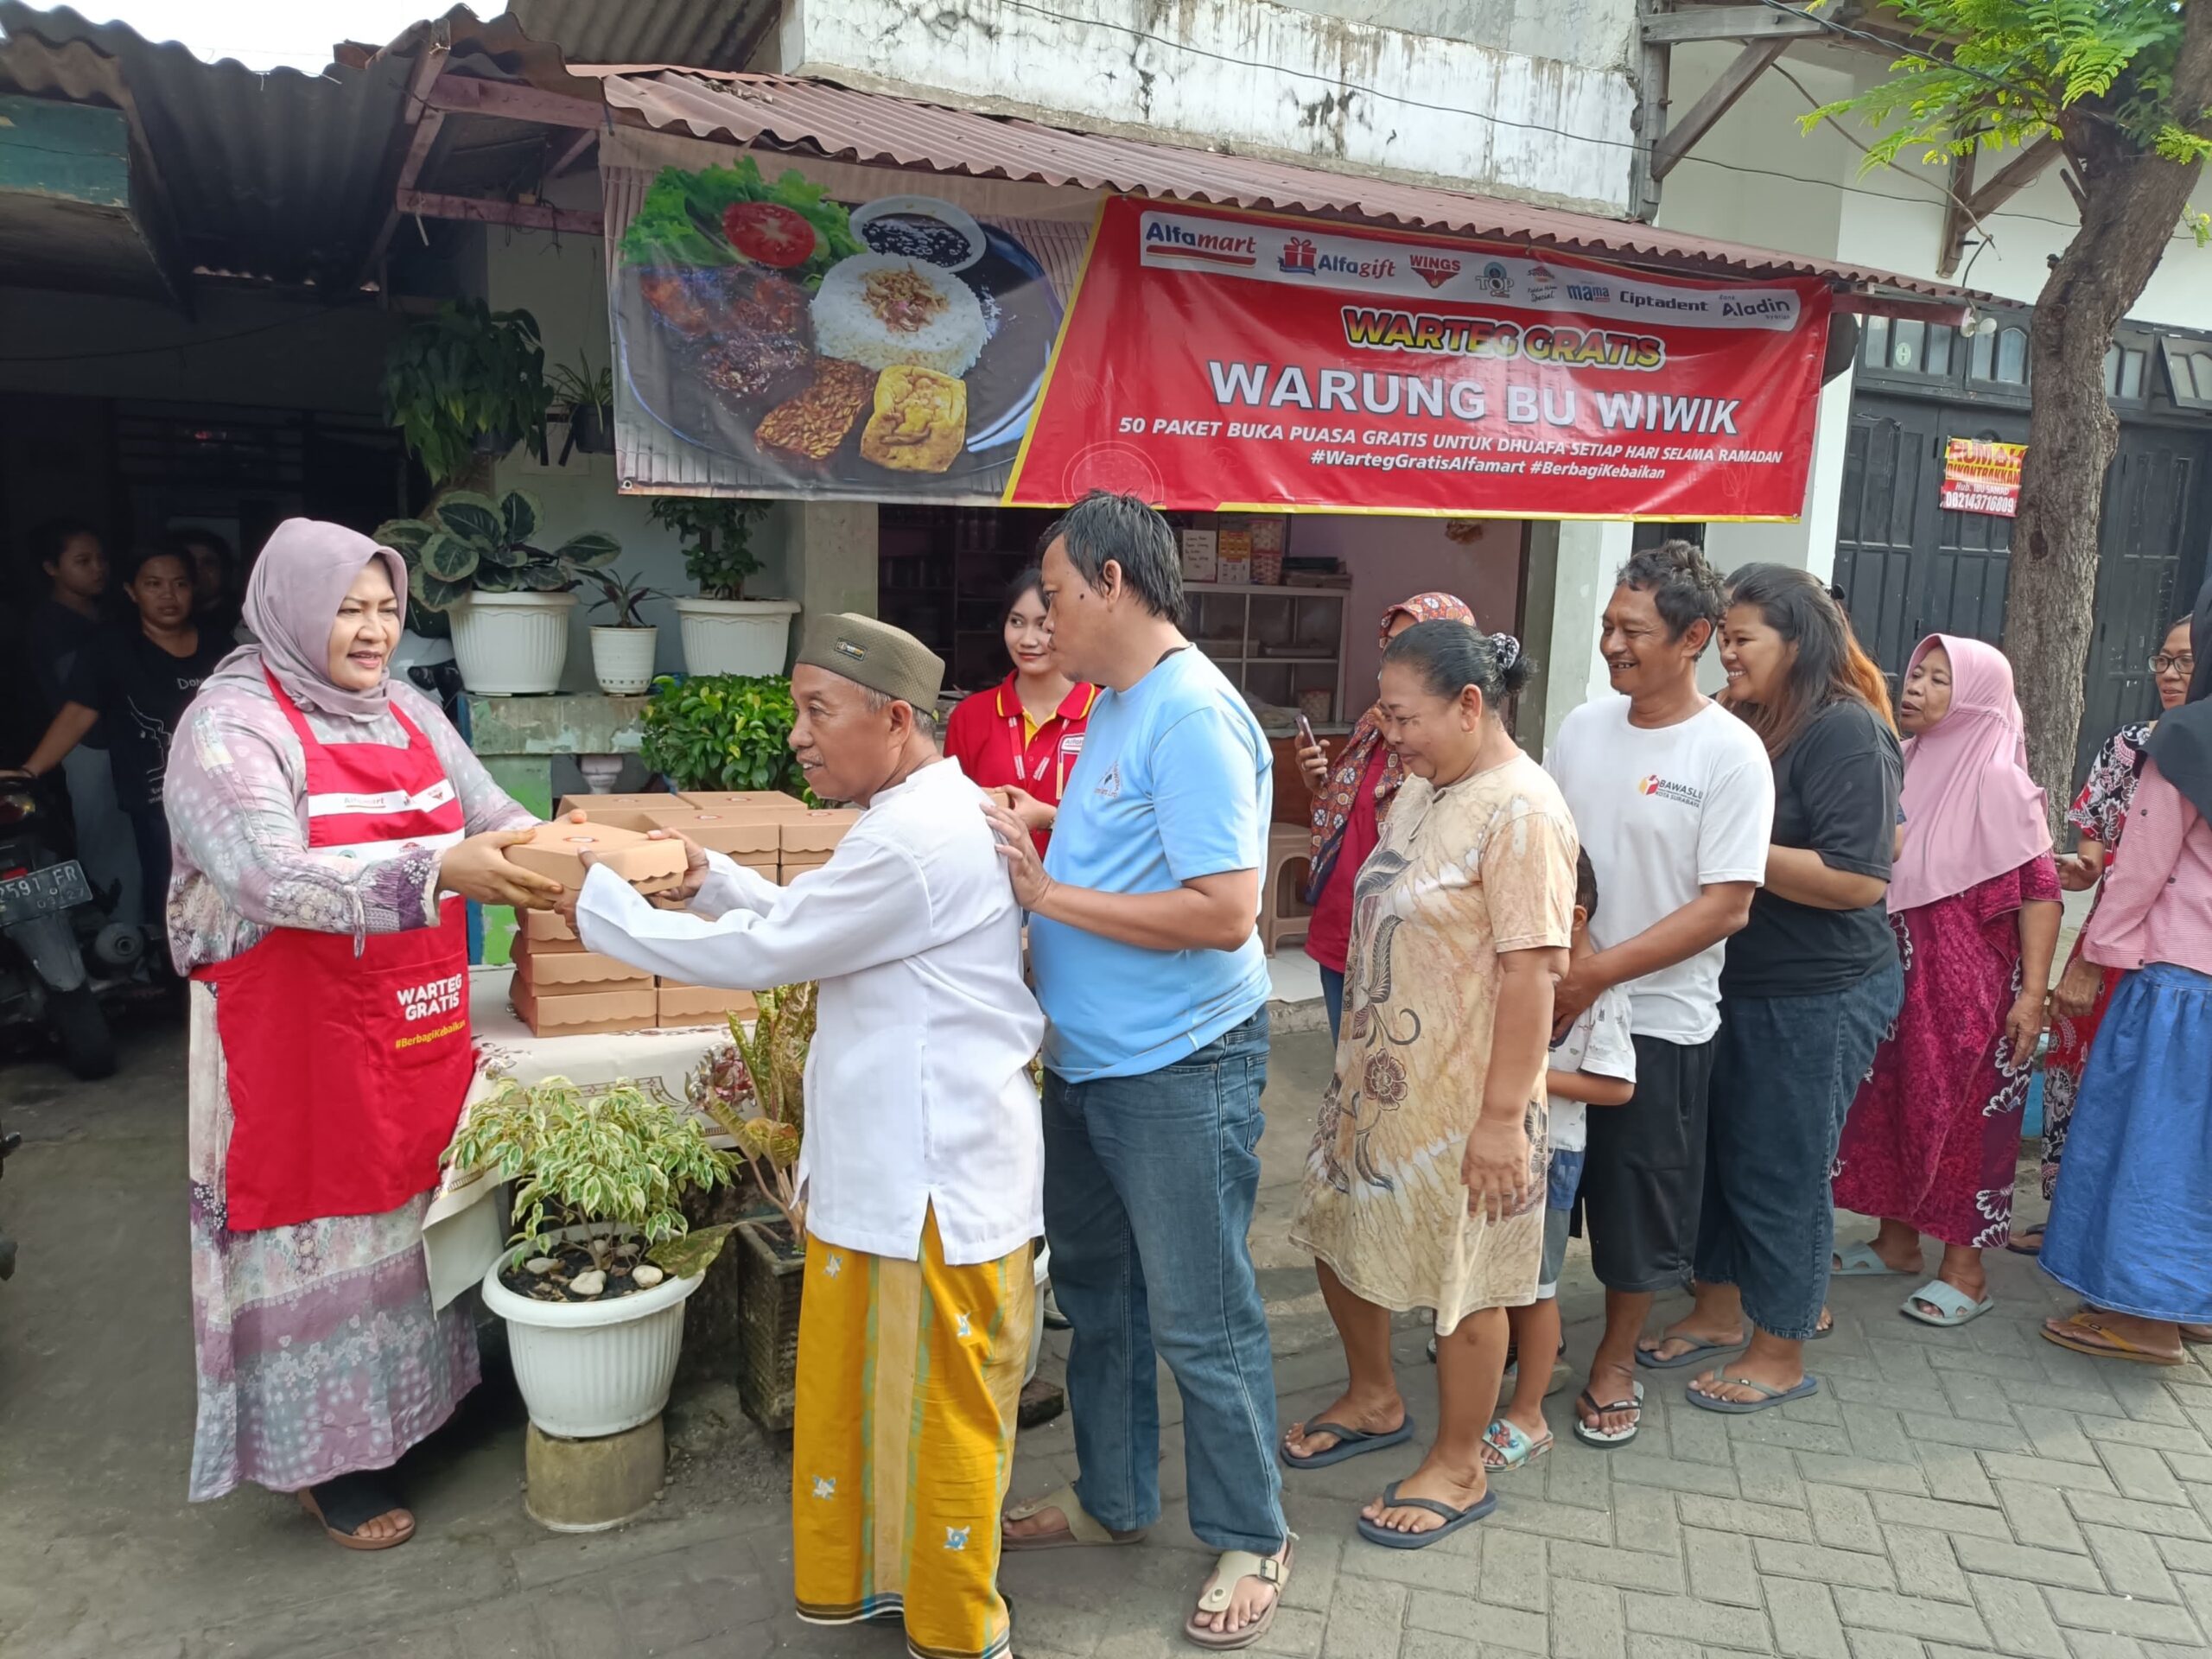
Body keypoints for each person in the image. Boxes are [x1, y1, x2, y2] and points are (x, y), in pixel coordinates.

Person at [565, 613, 1043, 1659]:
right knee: (881, 1403)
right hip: (901, 1174)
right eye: (797, 709)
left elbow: (776, 950)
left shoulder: (916, 835)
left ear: (896, 718)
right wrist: (711, 876)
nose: (796, 736)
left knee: (940, 1414)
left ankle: (962, 1632)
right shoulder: (918, 815)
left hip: (932, 1180)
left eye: (817, 711)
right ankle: (899, 1593)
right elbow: (823, 921)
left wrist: (596, 905)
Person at [163, 518, 563, 1545]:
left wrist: (582, 851)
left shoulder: (408, 712)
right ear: (292, 609)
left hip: (405, 1014)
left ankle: (424, 1407)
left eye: (386, 608)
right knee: (320, 1227)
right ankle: (329, 1461)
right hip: (289, 1034)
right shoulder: (229, 726)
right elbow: (262, 873)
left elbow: (493, 817)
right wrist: (437, 870)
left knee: (415, 1210)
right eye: (348, 609)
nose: (374, 630)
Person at [985, 492, 1290, 1652]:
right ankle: (1114, 1499)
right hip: (1093, 1065)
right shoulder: (1118, 703)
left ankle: (1252, 1532)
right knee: (1101, 1302)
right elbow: (1139, 839)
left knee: (1201, 1316)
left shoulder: (1193, 714)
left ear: (1112, 584)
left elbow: (1223, 911)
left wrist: (1048, 895)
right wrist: (1047, 817)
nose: (1045, 616)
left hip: (1180, 1067)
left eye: (1058, 595)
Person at [1281, 625, 1571, 1548]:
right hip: (1380, 1084)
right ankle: (1374, 1396)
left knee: (1468, 1276)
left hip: (1468, 1101)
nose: (1390, 736)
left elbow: (1534, 972)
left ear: (1470, 705)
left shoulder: (1521, 811)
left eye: (1404, 719)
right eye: (1384, 717)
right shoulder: (1418, 788)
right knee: (1337, 1231)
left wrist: (1501, 1120)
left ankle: (1458, 1461)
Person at [1638, 565, 1904, 1409]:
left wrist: (1732, 845)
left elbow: (1858, 879)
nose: (1727, 653)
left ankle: (1781, 1345)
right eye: (1722, 638)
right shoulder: (1743, 718)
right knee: (1718, 1154)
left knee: (1781, 1166)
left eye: (1742, 639)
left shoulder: (1844, 731)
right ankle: (1718, 1309)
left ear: (1797, 640)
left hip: (1820, 990)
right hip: (1734, 979)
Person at [1541, 541, 1774, 1449]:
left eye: (1632, 630)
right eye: (1608, 625)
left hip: (1660, 1021)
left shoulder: (1730, 754)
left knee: (1636, 1208)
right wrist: (1559, 970)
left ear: (1694, 638)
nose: (1611, 644)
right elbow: (1550, 855)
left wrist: (1598, 973)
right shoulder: (1581, 728)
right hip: (1558, 1004)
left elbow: (1727, 906)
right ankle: (1533, 1336)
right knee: (1537, 1186)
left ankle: (1614, 1359)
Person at [1831, 635, 2060, 1325]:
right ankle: (1896, 1243)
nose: (1916, 687)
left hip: (1976, 997)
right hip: (1899, 976)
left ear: (1978, 700)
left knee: (1968, 1123)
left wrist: (2031, 997)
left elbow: (2040, 892)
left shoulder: (2000, 780)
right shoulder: (1902, 760)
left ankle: (1966, 1271)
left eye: (1939, 680)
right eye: (1917, 673)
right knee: (1893, 1103)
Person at [2038, 579, 2212, 1364]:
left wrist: (2090, 957)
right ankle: (2192, 1303)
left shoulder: (2186, 737)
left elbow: (2142, 864)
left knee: (2152, 1147)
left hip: (2178, 979)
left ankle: (2145, 1320)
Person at [2019, 613, 2198, 1241]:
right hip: (2111, 926)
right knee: (2076, 1063)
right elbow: (2095, 843)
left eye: (2186, 660)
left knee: (2149, 1085)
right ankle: (2068, 1215)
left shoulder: (2192, 747)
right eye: (2163, 660)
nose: (2170, 674)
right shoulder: (2130, 745)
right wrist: (2083, 866)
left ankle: (2121, 1228)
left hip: (2169, 943)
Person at [1474, 850, 1635, 1470]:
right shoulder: (1516, 977)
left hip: (1550, 1157)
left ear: (1573, 916)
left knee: (1536, 1289)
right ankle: (1509, 1374)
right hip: (1499, 1149)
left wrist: (1526, 1075)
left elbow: (1617, 1087)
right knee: (1498, 1277)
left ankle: (1529, 1414)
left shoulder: (1601, 995)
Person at [9, 543, 234, 931]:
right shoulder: (112, 648)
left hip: (223, 795)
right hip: (156, 800)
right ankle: (172, 962)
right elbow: (79, 712)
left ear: (193, 588)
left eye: (180, 583)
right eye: (153, 584)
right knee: (172, 894)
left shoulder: (222, 647)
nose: (168, 595)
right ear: (131, 591)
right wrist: (29, 772)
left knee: (228, 890)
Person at [1295, 592, 1477, 1042]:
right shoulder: (1371, 726)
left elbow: (1436, 829)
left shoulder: (1455, 750)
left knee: (1392, 1058)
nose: (1396, 658)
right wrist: (1316, 782)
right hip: (1342, 921)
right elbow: (1352, 810)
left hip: (1397, 938)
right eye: (1392, 646)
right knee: (1346, 1064)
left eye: (1413, 645)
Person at [21, 518, 143, 925]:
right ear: (51, 568)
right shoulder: (52, 624)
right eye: (83, 561)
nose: (98, 568)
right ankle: (116, 936)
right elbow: (81, 699)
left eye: (101, 559)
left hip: (123, 744)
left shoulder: (104, 615)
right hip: (88, 745)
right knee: (106, 842)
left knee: (130, 842)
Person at [944, 564, 1098, 854]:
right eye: (1016, 622)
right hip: (990, 876)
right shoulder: (970, 716)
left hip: (1079, 878)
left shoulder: (1104, 713)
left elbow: (1123, 826)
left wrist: (1051, 819)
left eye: (1043, 625)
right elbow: (951, 815)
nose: (1027, 640)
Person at [175, 527, 245, 639]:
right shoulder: (166, 619)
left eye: (208, 563)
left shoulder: (245, 618)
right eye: (189, 562)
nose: (197, 570)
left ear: (225, 570)